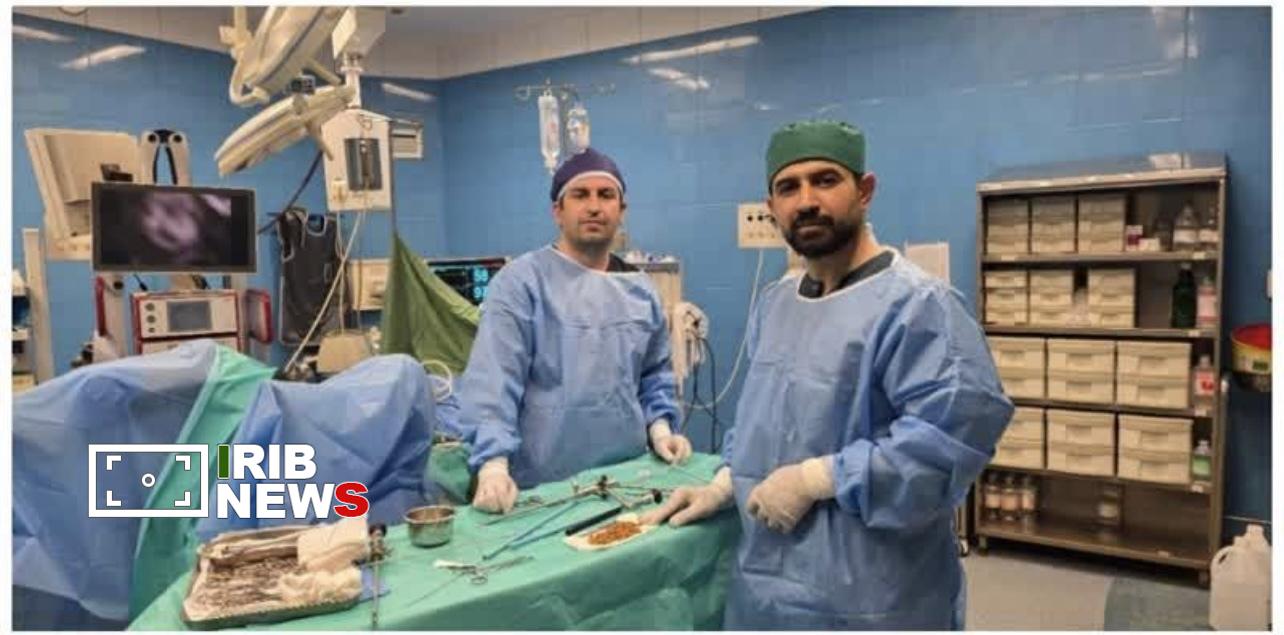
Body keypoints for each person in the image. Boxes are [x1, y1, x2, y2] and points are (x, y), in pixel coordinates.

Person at [642, 121, 1013, 629]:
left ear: (865, 191)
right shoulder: (776, 303)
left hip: (874, 593)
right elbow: (763, 425)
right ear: (772, 207)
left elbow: (947, 443)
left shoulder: (919, 306)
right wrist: (726, 485)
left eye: (825, 180)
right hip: (767, 588)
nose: (806, 201)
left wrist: (818, 479)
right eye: (788, 187)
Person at [459, 148, 693, 514]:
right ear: (558, 211)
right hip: (544, 486)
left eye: (606, 195)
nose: (594, 207)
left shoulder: (641, 291)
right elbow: (495, 381)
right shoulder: (521, 284)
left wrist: (661, 429)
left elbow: (653, 375)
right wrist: (493, 465)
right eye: (581, 195)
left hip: (628, 477)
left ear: (621, 210)